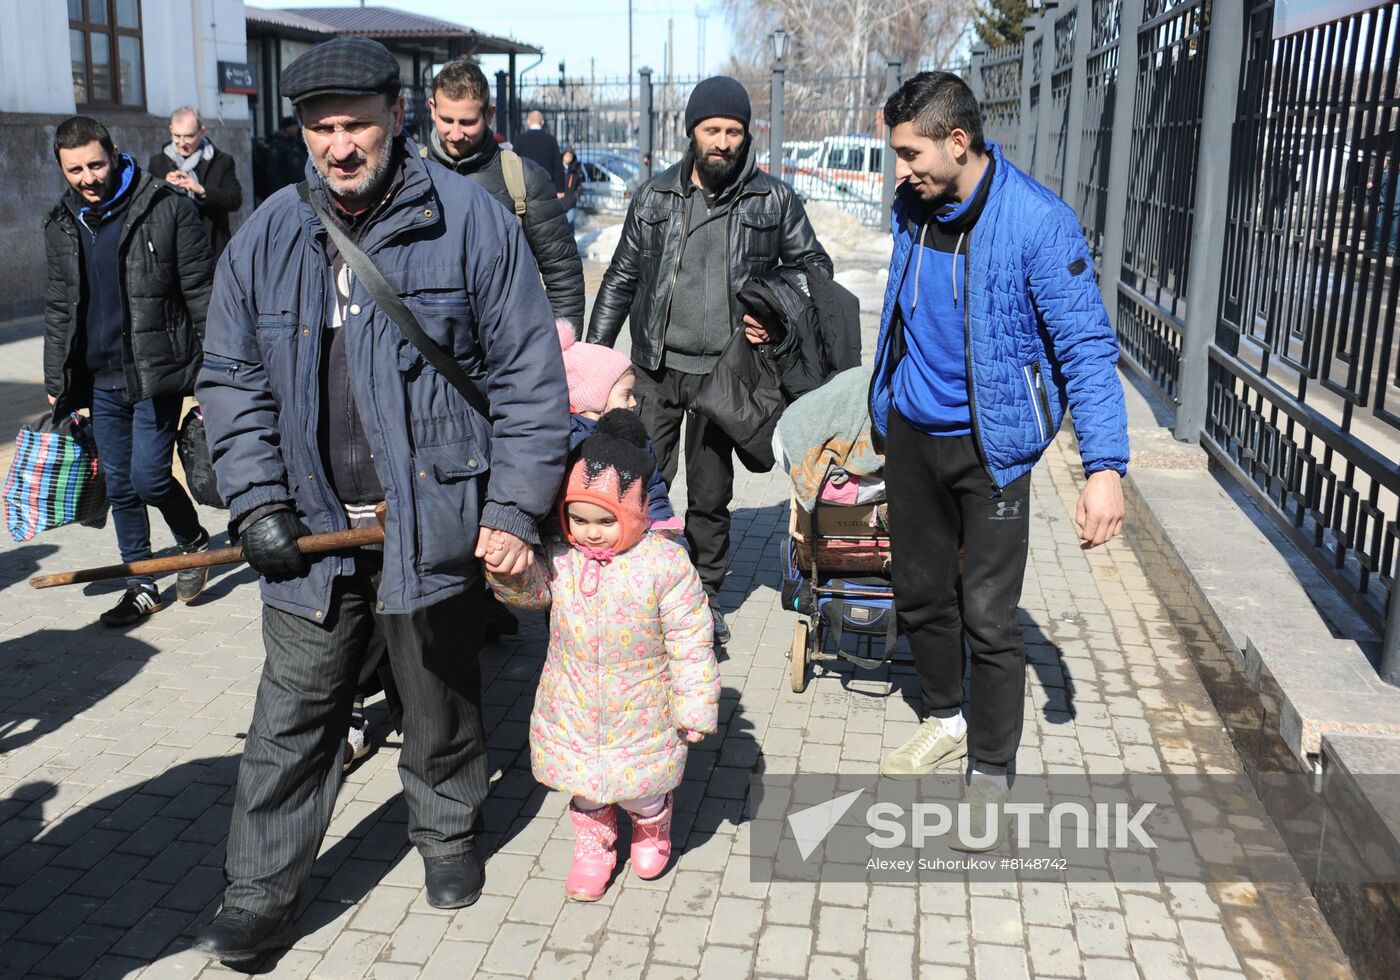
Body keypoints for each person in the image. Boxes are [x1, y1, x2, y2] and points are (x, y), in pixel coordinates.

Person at [191, 37, 569, 962]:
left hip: (432, 519)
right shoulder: (269, 236)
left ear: (397, 118)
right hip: (310, 527)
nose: (338, 146)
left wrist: (514, 513)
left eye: (355, 124)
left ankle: (445, 834)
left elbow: (529, 379)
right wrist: (255, 503)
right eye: (320, 130)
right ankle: (258, 892)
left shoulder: (473, 224)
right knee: (290, 718)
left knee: (438, 695)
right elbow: (232, 380)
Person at [869, 72, 1129, 844]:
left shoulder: (1039, 224)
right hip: (913, 434)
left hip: (994, 447)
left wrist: (1104, 468)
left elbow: (1086, 345)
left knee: (987, 614)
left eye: (911, 154)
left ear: (958, 142)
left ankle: (991, 761)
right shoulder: (911, 207)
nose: (900, 169)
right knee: (918, 595)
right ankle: (945, 716)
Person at [588, 75, 831, 644]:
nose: (722, 141)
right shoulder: (654, 196)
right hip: (655, 366)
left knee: (711, 495)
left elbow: (815, 269)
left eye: (733, 131)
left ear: (747, 135)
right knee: (639, 480)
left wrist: (772, 307)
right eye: (712, 129)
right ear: (692, 132)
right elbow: (622, 277)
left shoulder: (772, 199)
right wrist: (597, 359)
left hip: (727, 374)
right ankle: (636, 589)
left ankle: (703, 598)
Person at [485, 411, 719, 902]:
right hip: (573, 702)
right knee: (587, 787)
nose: (591, 533)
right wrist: (509, 574)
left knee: (642, 786)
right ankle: (594, 847)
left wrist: (695, 704)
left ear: (634, 513)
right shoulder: (562, 558)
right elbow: (532, 595)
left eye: (605, 521)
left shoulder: (664, 563)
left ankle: (652, 825)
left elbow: (690, 638)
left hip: (644, 707)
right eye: (579, 519)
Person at [43, 116, 215, 626]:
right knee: (120, 486)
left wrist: (218, 374)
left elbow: (203, 296)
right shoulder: (61, 221)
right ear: (62, 167)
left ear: (115, 152)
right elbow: (58, 305)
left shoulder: (167, 209)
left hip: (153, 369)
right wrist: (57, 379)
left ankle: (191, 539)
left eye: (95, 164)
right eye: (74, 170)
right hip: (98, 379)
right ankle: (140, 582)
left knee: (147, 476)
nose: (88, 178)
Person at [423, 60, 584, 331]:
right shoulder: (410, 175)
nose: (456, 133)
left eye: (467, 122)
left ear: (489, 114)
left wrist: (560, 349)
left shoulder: (524, 179)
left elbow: (563, 273)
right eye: (447, 120)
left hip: (507, 351)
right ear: (432, 109)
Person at [555, 322, 681, 533]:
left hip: (627, 539)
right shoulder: (566, 439)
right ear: (595, 397)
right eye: (626, 394)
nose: (634, 403)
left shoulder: (633, 435)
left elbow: (653, 486)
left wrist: (662, 525)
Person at [147, 106, 243, 258]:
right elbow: (147, 203)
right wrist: (163, 185)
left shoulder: (222, 161)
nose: (182, 143)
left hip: (211, 248)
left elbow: (234, 199)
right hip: (173, 250)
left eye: (189, 136)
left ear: (201, 131)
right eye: (177, 136)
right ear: (171, 130)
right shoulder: (158, 163)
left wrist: (201, 190)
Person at [253, 116, 308, 203]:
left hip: (297, 189)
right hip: (285, 192)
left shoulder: (294, 142)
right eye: (294, 126)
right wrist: (280, 193)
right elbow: (274, 171)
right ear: (287, 128)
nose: (296, 129)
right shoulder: (277, 145)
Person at [512, 109, 566, 197]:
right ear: (542, 122)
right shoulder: (551, 140)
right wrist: (560, 189)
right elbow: (558, 166)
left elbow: (513, 165)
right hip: (546, 187)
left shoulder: (519, 140)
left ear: (528, 122)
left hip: (525, 189)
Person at [561, 146, 585, 227]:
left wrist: (576, 195)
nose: (568, 158)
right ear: (563, 156)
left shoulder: (575, 170)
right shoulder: (558, 169)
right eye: (567, 156)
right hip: (559, 202)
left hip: (571, 202)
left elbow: (579, 185)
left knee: (570, 224)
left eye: (570, 156)